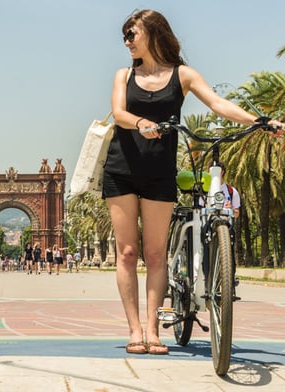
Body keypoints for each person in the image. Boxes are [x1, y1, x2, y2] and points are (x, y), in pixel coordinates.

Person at [105, 9, 284, 356]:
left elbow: (217, 103)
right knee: (127, 253)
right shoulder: (123, 74)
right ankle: (134, 329)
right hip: (121, 168)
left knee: (155, 254)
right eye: (124, 35)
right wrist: (142, 123)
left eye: (132, 33)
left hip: (160, 171)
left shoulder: (182, 75)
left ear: (154, 33)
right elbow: (120, 113)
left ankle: (154, 331)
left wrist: (261, 121)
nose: (127, 41)